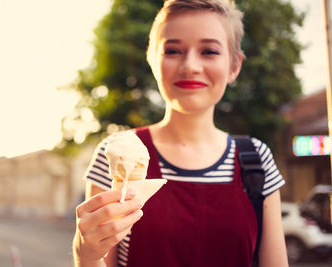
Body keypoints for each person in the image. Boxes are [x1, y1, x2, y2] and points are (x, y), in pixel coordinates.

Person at [72, 0, 289, 266]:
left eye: (209, 51)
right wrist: (85, 252)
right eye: (173, 50)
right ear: (152, 59)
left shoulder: (256, 159)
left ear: (234, 66)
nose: (190, 65)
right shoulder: (116, 152)